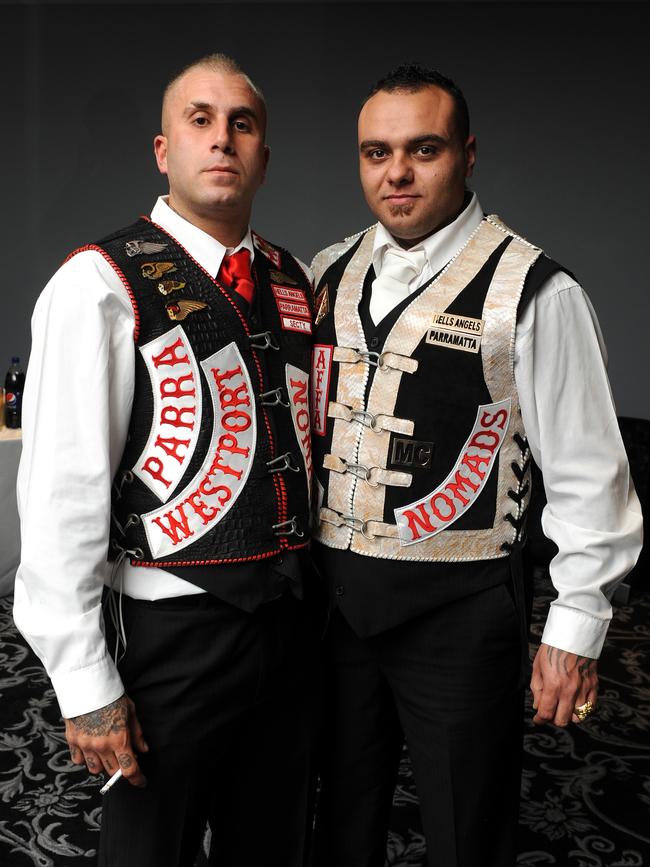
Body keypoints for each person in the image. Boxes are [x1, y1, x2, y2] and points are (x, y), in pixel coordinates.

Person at [308, 64, 643, 867]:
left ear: (467, 153)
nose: (396, 173)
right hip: (332, 607)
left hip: (461, 611)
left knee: (467, 827)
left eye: (422, 149)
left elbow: (590, 476)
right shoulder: (325, 271)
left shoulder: (538, 291)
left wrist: (575, 627)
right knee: (335, 816)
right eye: (375, 152)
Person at [14, 53, 320, 867]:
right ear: (163, 149)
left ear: (263, 155)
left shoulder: (295, 280)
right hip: (169, 632)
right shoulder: (99, 282)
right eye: (200, 120)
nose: (222, 139)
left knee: (273, 842)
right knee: (153, 850)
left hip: (291, 623)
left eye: (242, 124)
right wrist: (86, 686)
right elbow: (59, 497)